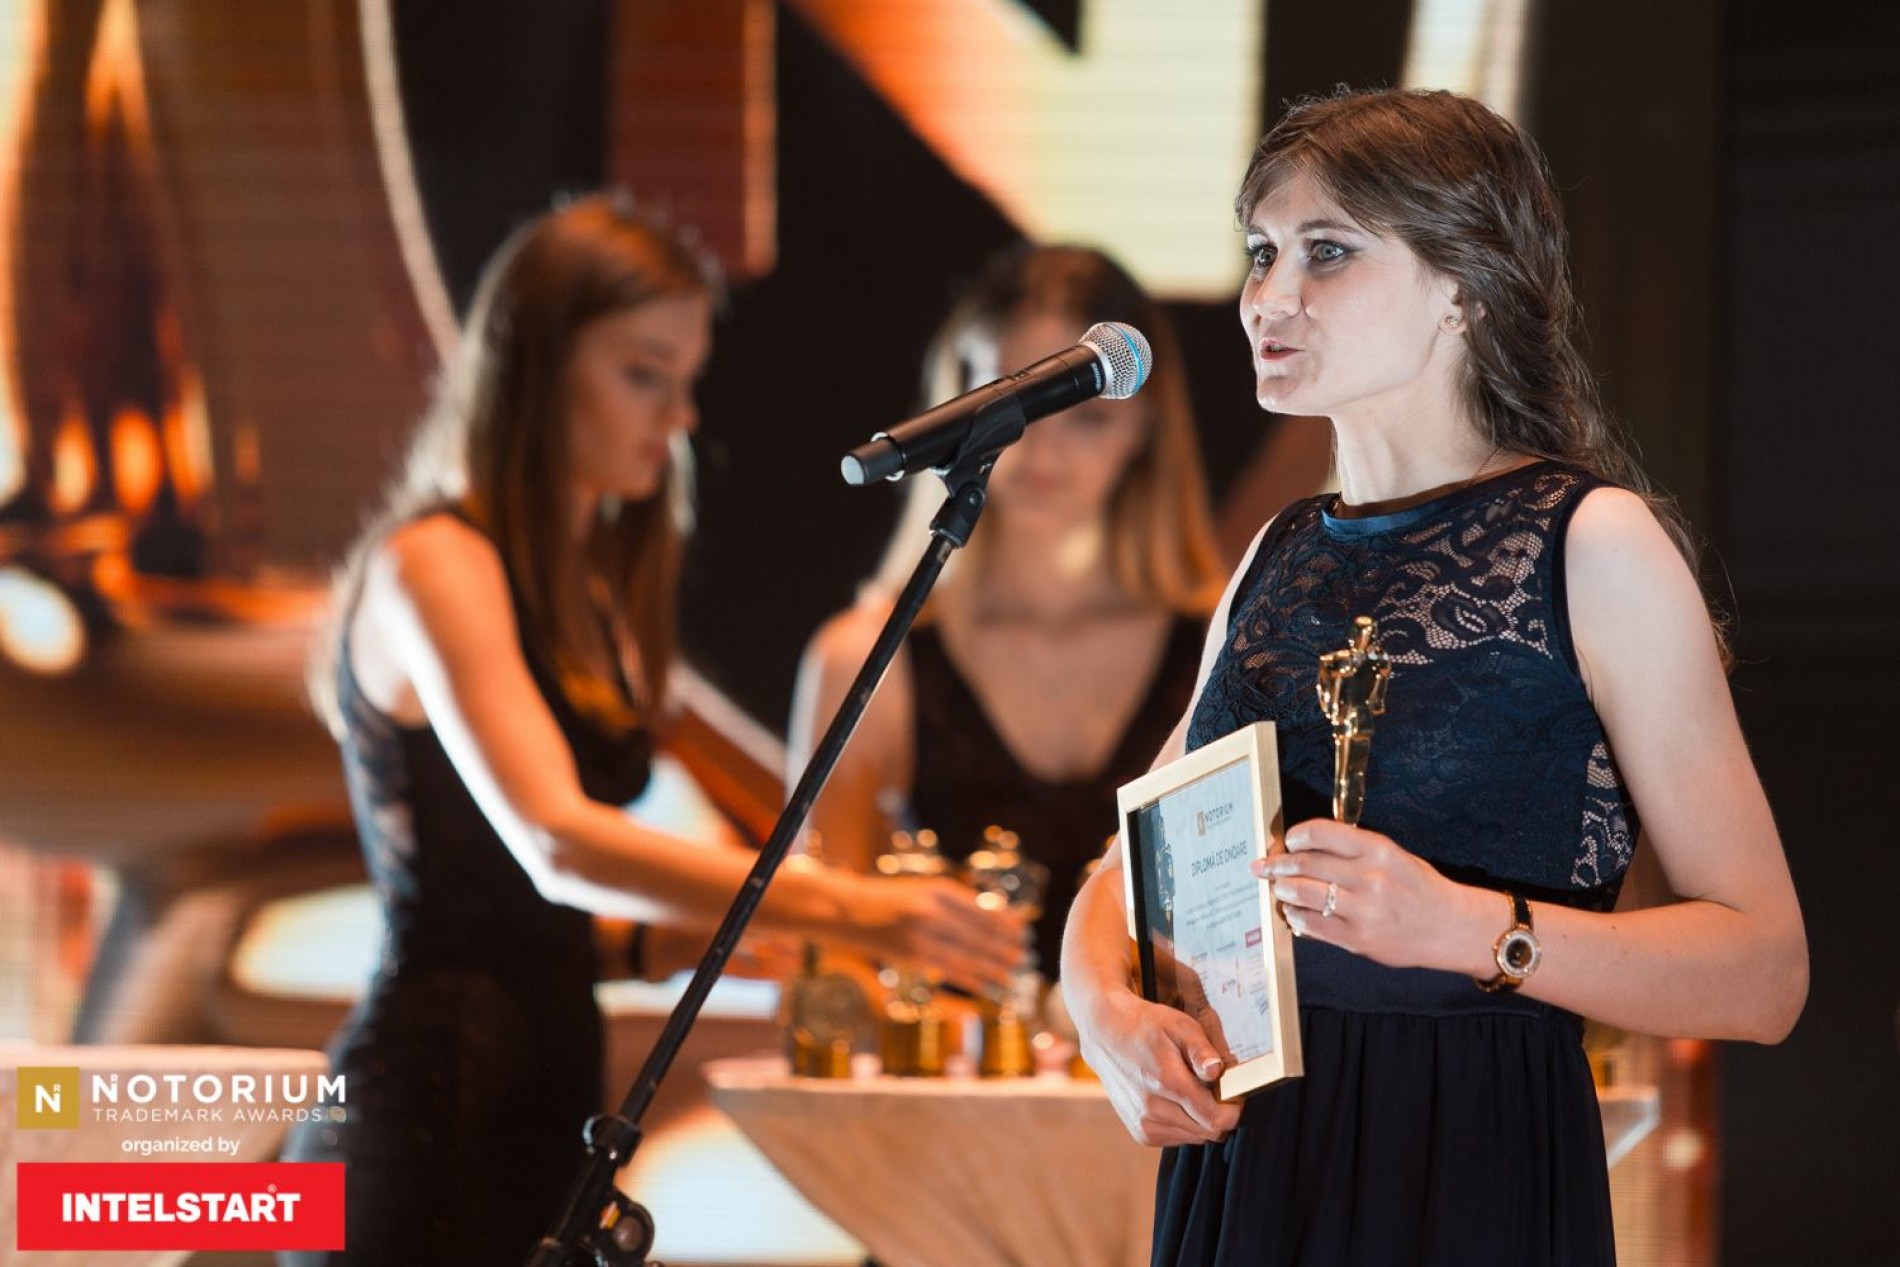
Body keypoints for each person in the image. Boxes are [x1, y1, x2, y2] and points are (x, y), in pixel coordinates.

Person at [1060, 88, 1807, 1265]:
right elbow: (1130, 863)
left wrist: (1466, 929)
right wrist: (1102, 1015)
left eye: (1326, 251)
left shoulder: (1592, 543)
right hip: (1249, 1166)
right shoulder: (1276, 553)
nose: (1268, 296)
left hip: (1466, 1158)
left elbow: (1764, 972)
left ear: (1464, 286)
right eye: (1260, 251)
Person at [280, 195, 1023, 1267]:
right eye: (643, 373)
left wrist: (678, 943)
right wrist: (861, 908)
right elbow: (554, 842)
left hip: (542, 1111)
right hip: (426, 1120)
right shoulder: (435, 562)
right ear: (533, 366)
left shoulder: (587, 584)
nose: (678, 417)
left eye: (687, 379)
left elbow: (520, 921)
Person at [790, 243, 1227, 979]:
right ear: (957, 401)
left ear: (1146, 429)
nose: (1044, 450)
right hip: (948, 1050)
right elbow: (824, 966)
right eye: (1017, 408)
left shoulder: (1230, 643)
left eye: (1087, 417)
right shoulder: (866, 658)